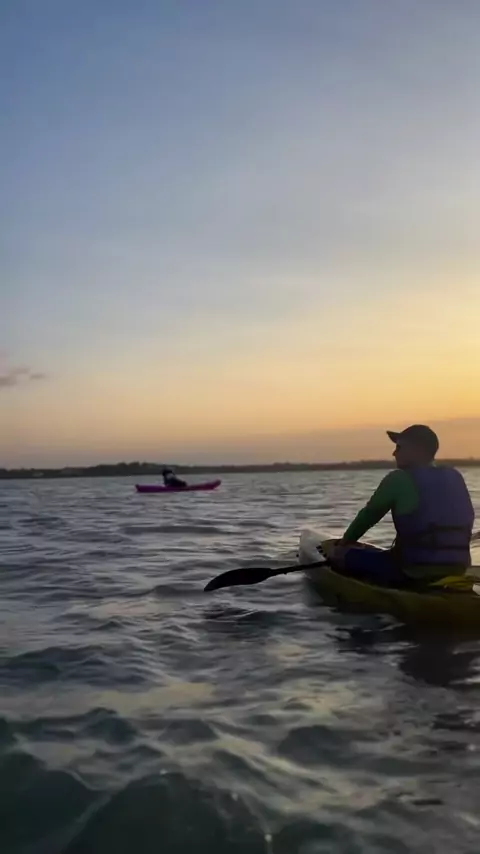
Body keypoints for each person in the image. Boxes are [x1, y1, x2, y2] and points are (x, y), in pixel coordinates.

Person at [331, 425, 474, 587]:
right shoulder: (455, 476)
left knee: (342, 555)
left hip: (412, 571)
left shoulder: (398, 479)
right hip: (458, 568)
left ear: (418, 450)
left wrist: (343, 544)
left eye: (399, 447)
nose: (394, 453)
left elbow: (367, 517)